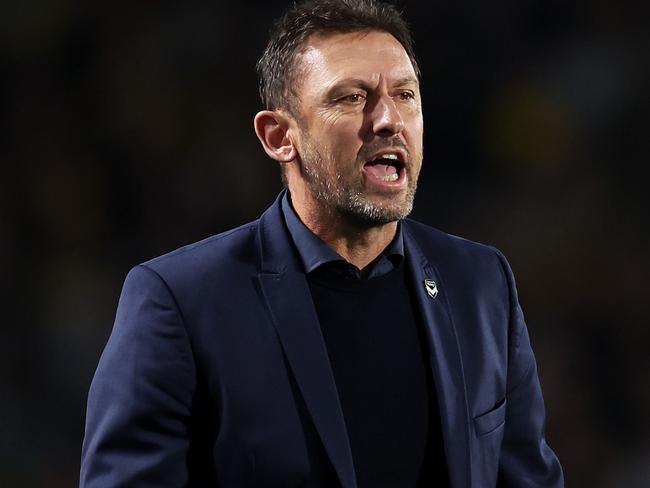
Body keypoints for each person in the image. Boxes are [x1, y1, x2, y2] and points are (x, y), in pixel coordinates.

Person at [80, 0, 564, 486]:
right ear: (278, 136)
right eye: (352, 97)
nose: (387, 119)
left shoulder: (479, 283)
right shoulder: (181, 302)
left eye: (405, 94)